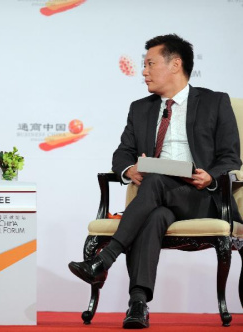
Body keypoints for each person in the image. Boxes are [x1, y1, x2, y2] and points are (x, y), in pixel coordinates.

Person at [68, 34, 241, 329]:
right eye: (143, 65)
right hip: (159, 197)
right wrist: (128, 170)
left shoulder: (215, 102)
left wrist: (210, 174)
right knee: (155, 214)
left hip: (201, 197)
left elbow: (230, 157)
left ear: (175, 64)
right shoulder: (140, 108)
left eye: (150, 64)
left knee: (155, 183)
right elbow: (122, 154)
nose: (143, 71)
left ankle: (103, 261)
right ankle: (138, 304)